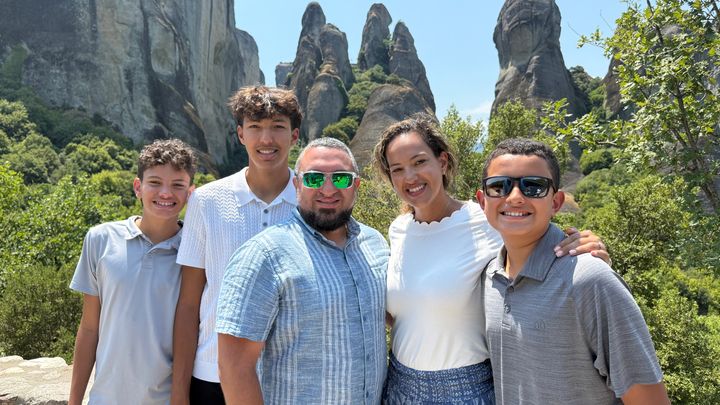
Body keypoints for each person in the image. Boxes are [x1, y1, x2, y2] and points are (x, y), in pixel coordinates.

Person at [372, 115, 609, 404]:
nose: (409, 177)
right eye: (397, 169)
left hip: (468, 390)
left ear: (442, 162)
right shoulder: (398, 230)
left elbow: (543, 242)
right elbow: (411, 311)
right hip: (399, 387)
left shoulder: (486, 220)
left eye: (419, 162)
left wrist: (586, 245)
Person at [478, 138, 669, 404]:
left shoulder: (590, 280)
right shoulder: (489, 277)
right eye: (499, 186)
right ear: (482, 200)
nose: (515, 197)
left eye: (534, 186)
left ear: (556, 202)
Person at [215, 138, 389, 404]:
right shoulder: (264, 255)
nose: (328, 189)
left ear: (356, 185)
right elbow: (234, 367)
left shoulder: (375, 244)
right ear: (297, 185)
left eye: (341, 178)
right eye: (314, 179)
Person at [171, 85, 301, 405]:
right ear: (241, 135)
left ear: (295, 136)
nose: (266, 139)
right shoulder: (207, 201)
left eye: (277, 127)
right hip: (212, 375)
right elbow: (188, 304)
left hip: (292, 378)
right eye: (255, 127)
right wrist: (179, 391)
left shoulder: (312, 201)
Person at [68, 139, 197, 405]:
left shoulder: (195, 252)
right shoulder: (100, 239)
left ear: (190, 193)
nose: (165, 193)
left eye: (177, 185)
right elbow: (89, 328)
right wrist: (74, 401)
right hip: (104, 400)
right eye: (155, 183)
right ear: (138, 187)